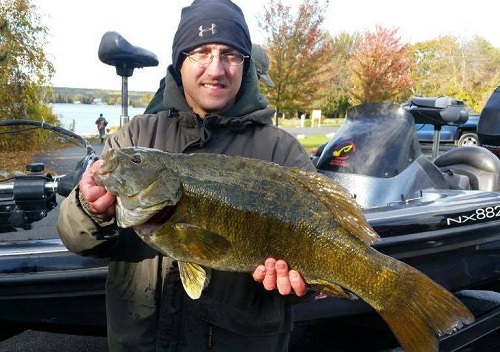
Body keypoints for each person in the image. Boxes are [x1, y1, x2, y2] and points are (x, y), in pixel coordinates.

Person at [57, 0, 316, 350]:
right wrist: (88, 210)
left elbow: (312, 273)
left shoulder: (282, 153)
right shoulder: (135, 140)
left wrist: (305, 283)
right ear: (180, 62)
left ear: (245, 64)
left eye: (230, 54)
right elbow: (77, 240)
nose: (216, 69)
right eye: (200, 52)